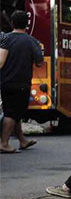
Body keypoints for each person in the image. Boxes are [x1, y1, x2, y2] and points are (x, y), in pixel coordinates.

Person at [0, 10, 43, 153]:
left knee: (11, 111)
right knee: (13, 112)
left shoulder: (5, 38)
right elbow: (39, 62)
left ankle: (22, 140)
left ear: (12, 23)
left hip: (5, 82)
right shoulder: (32, 41)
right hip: (21, 82)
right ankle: (4, 143)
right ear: (27, 24)